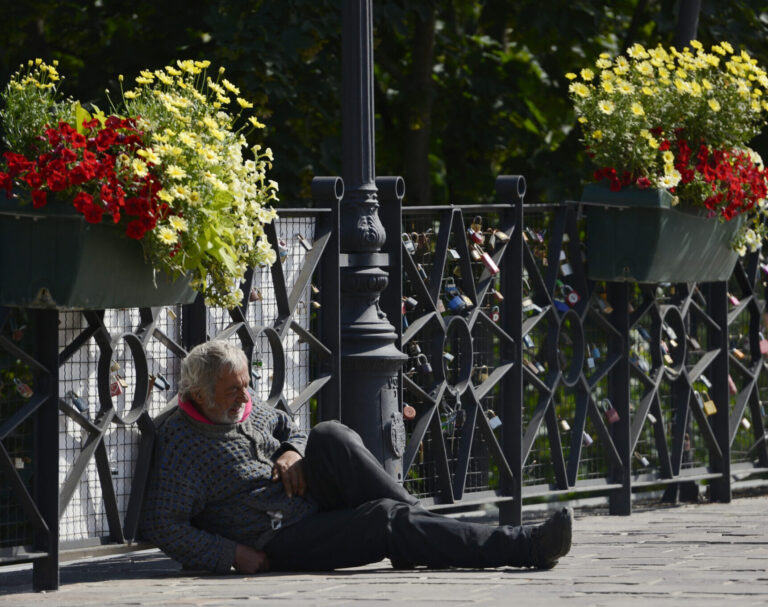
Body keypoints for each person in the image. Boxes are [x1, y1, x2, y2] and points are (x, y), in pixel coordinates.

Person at [141, 340, 573, 574]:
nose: (244, 396)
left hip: (303, 491)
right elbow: (166, 525)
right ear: (199, 394)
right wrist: (232, 554)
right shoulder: (182, 443)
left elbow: (291, 426)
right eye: (232, 390)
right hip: (279, 536)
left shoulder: (245, 408)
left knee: (332, 434)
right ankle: (524, 547)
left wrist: (293, 450)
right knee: (385, 518)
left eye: (246, 385)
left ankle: (418, 531)